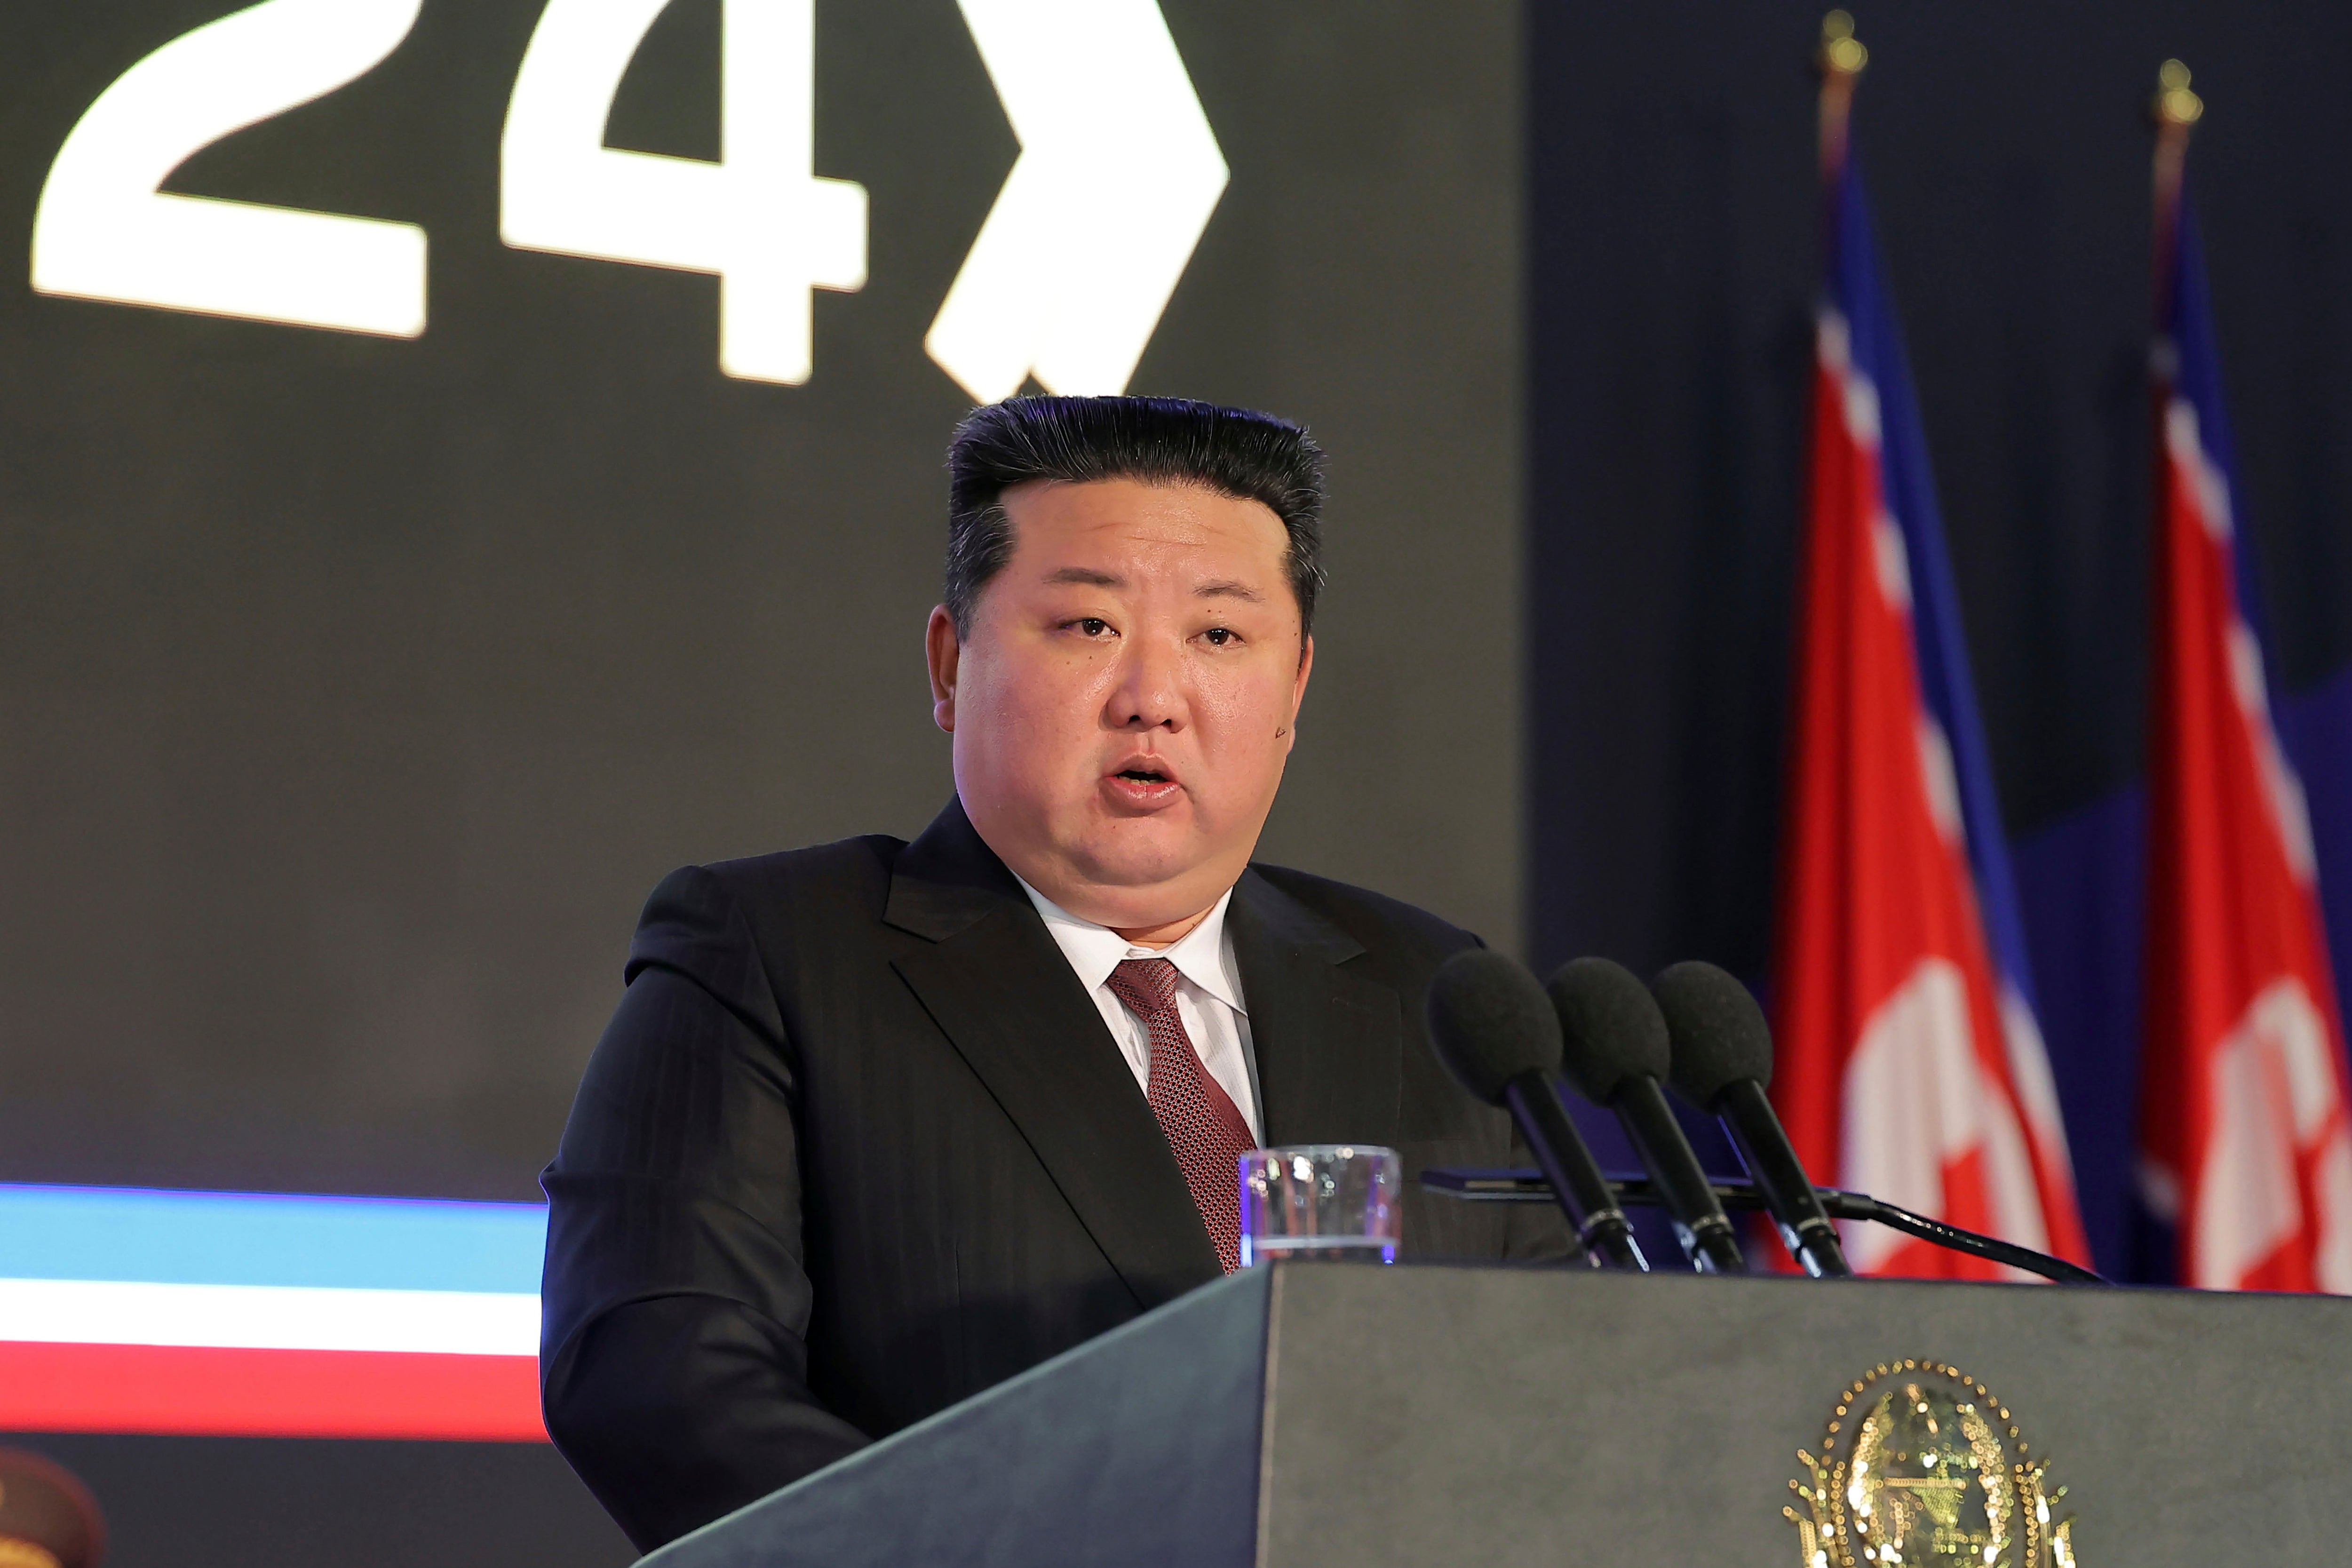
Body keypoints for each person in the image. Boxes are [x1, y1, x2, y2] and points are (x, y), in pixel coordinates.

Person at [539, 396, 1569, 1551]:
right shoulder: (773, 955)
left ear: (1295, 689)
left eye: (1220, 637)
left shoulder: (1430, 993)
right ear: (949, 660)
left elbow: (1565, 1392)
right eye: (1087, 625)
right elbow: (660, 1379)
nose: (1152, 694)